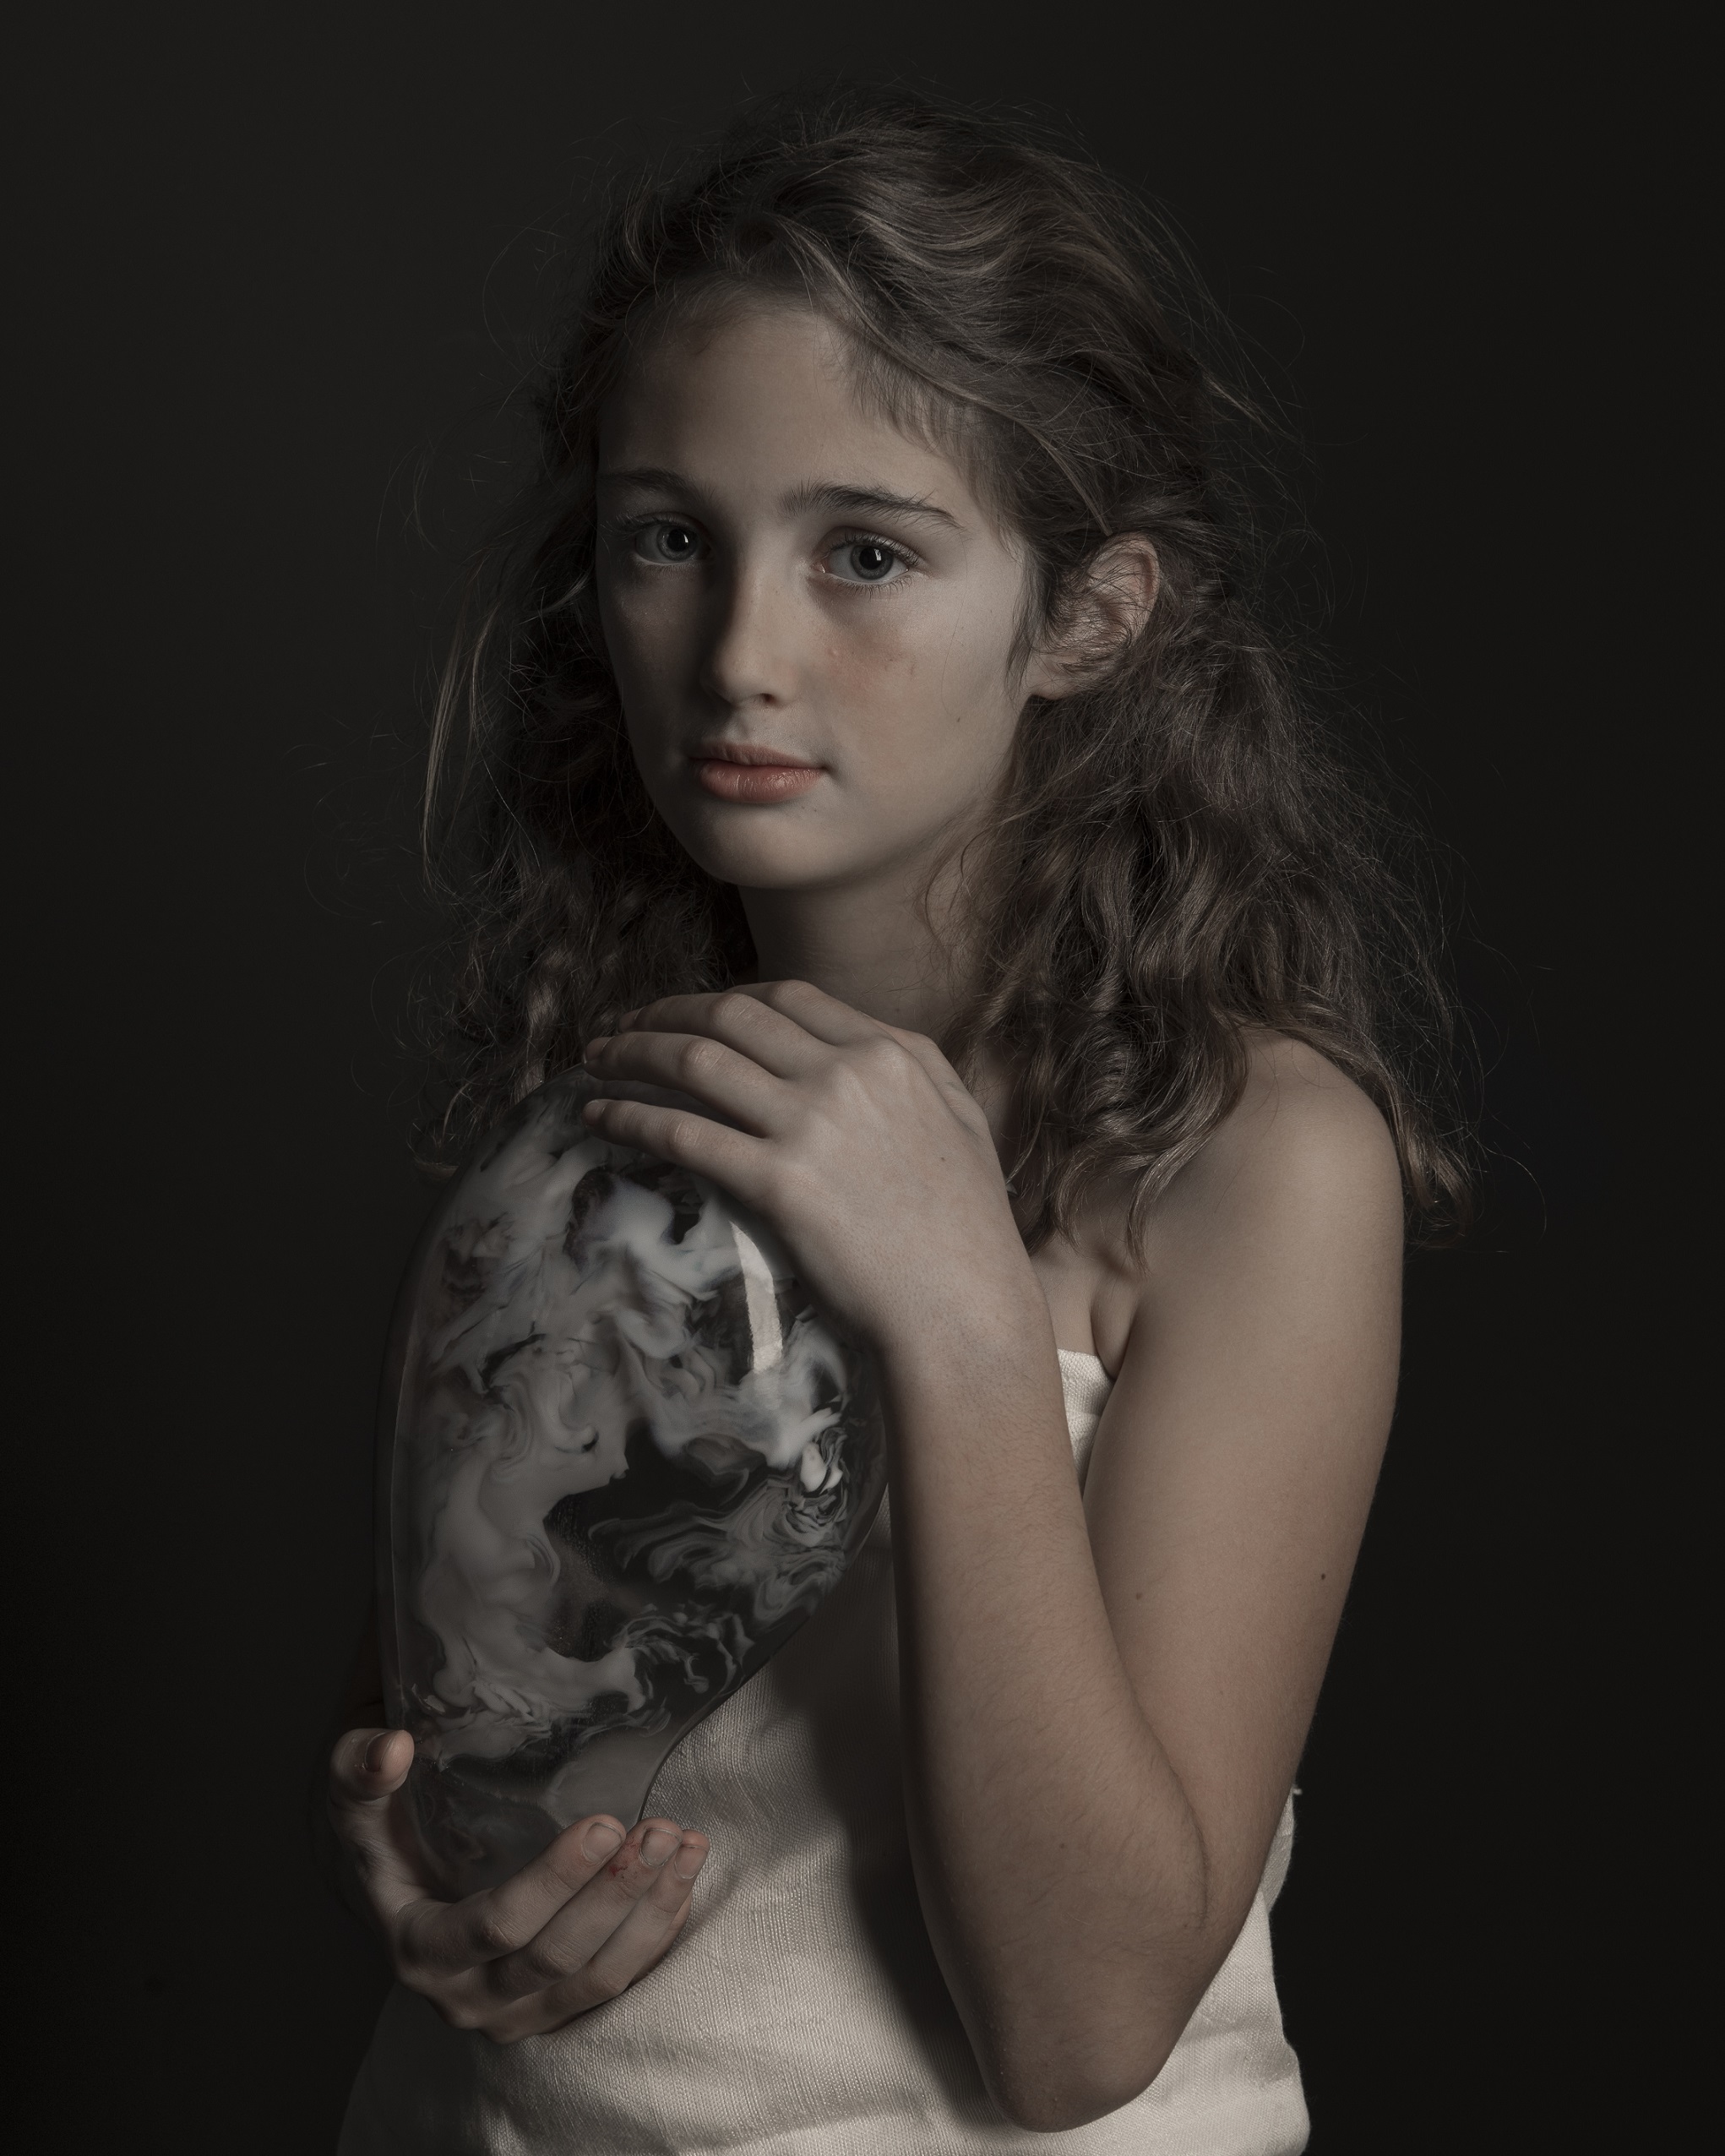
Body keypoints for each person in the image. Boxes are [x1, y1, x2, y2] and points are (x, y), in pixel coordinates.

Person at [329, 89, 1471, 2153]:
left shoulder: (1252, 1161)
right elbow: (505, 1729)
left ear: (1088, 616)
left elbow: (1077, 2027)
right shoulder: (595, 1094)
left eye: (864, 551)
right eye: (669, 537)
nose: (741, 653)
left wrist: (953, 1309)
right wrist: (435, 1873)